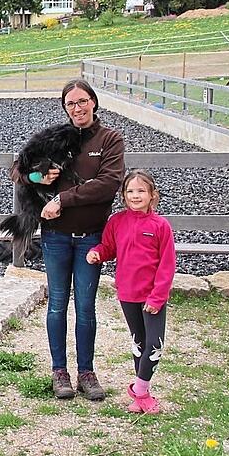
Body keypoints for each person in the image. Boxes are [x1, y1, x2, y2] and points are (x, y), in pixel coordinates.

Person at [11, 79, 124, 401]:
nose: (77, 108)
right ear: (65, 108)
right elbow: (19, 171)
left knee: (86, 307)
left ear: (94, 102)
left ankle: (86, 372)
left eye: (82, 101)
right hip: (56, 237)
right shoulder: (56, 137)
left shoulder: (110, 139)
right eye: (71, 104)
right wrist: (38, 177)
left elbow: (108, 184)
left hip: (91, 238)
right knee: (57, 305)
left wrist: (62, 199)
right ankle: (59, 372)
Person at [87, 170, 176, 414]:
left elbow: (167, 265)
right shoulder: (117, 222)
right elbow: (108, 247)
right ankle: (141, 396)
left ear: (152, 195)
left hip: (152, 296)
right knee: (139, 341)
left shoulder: (161, 226)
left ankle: (140, 390)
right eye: (130, 191)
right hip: (127, 293)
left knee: (155, 345)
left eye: (141, 191)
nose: (135, 196)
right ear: (123, 195)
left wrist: (157, 297)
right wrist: (97, 253)